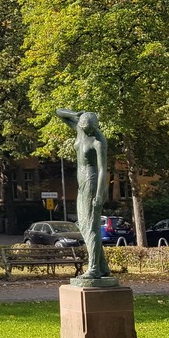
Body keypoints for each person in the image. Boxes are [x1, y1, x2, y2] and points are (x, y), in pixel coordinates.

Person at [56, 108, 111, 279]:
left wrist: (100, 194)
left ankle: (94, 268)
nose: (89, 131)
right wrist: (75, 115)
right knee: (85, 225)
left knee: (90, 227)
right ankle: (102, 267)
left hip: (93, 182)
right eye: (86, 128)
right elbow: (59, 113)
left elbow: (103, 170)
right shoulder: (81, 129)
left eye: (91, 129)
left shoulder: (98, 141)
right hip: (82, 183)